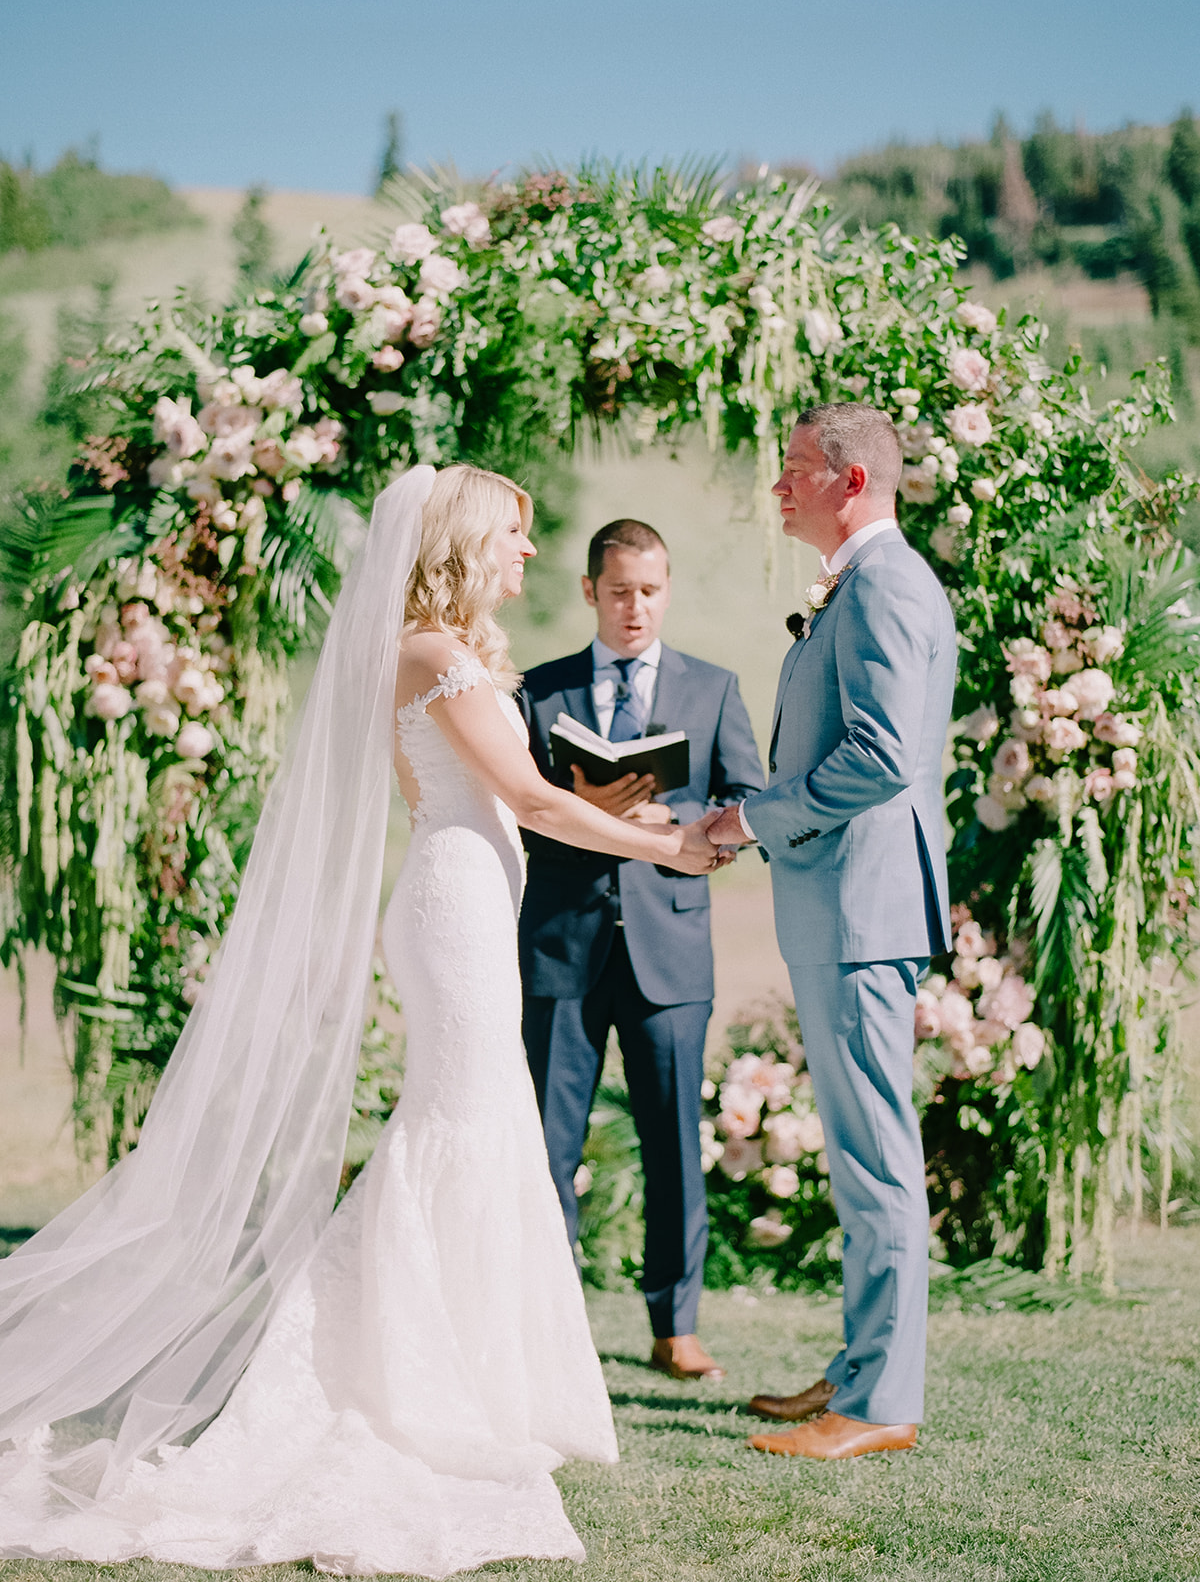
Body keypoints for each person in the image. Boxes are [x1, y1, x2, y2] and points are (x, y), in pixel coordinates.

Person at [0, 465, 725, 1576]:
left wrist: (614, 815)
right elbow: (528, 800)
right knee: (461, 1132)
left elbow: (516, 794)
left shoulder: (434, 650)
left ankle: (462, 1373)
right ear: (466, 541)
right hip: (458, 908)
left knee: (466, 1132)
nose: (529, 555)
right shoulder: (437, 655)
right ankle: (414, 1381)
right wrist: (672, 843)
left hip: (466, 893)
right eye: (515, 537)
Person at [707, 403, 957, 1460]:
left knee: (878, 1158)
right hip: (841, 905)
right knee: (859, 1159)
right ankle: (859, 1367)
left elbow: (881, 755)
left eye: (793, 469)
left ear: (850, 481)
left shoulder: (889, 584)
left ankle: (883, 1403)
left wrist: (749, 816)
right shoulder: (861, 584)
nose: (779, 488)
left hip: (863, 909)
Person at [519, 519, 763, 1380]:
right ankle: (547, 1328)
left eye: (650, 591)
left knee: (671, 1141)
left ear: (668, 590)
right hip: (561, 946)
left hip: (670, 948)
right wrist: (585, 808)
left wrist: (668, 821)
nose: (635, 608)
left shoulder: (714, 688)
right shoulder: (537, 691)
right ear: (590, 591)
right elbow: (516, 814)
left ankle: (676, 1326)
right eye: (619, 590)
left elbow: (750, 801)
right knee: (548, 1144)